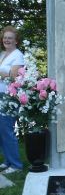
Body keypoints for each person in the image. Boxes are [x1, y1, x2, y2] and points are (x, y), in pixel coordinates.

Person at [0, 26, 24, 174]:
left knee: (7, 129)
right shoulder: (2, 54)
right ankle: (7, 161)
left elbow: (15, 76)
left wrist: (4, 73)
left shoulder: (18, 55)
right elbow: (7, 73)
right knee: (1, 130)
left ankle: (16, 165)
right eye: (5, 37)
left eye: (10, 38)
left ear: (16, 41)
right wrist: (5, 73)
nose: (6, 40)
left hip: (9, 96)